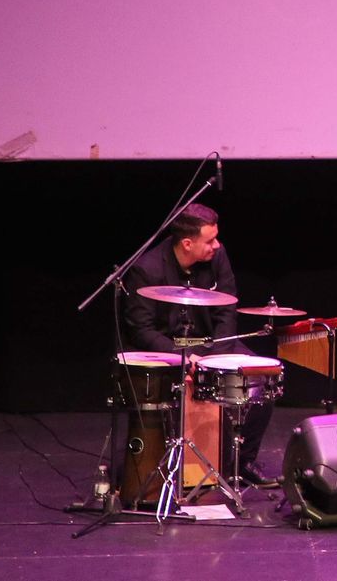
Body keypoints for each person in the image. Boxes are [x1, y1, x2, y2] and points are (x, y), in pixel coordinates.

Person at [121, 203, 275, 486]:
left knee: (260, 379)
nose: (216, 245)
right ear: (188, 243)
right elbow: (141, 330)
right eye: (210, 240)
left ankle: (244, 462)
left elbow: (227, 310)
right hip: (167, 350)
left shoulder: (217, 256)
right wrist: (183, 357)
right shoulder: (147, 269)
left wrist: (215, 358)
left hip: (211, 345)